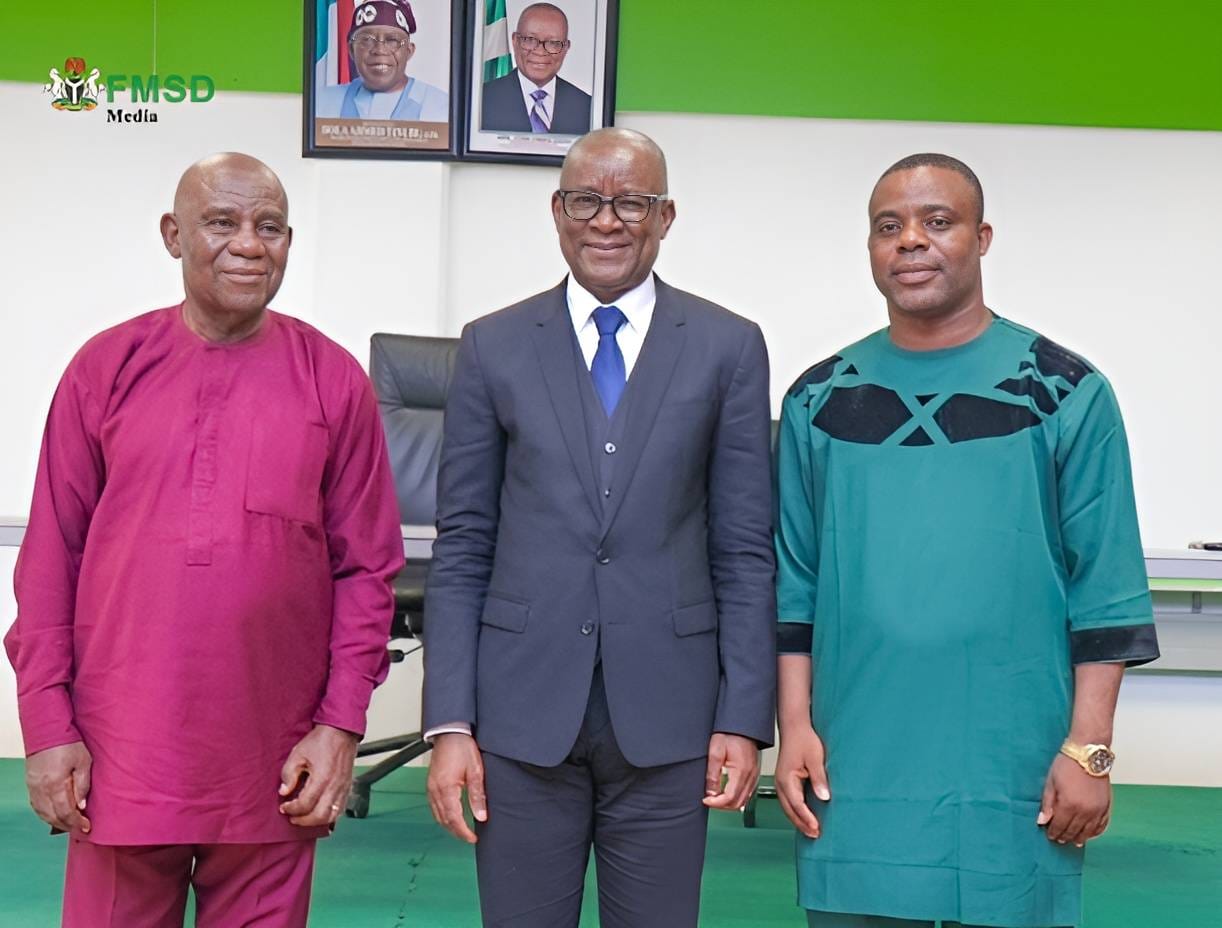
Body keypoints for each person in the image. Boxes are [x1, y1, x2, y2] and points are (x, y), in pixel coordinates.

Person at [4, 152, 404, 928]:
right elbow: (50, 562)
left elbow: (367, 572)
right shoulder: (105, 370)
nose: (250, 245)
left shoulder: (332, 380)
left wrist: (341, 725)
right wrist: (48, 726)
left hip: (274, 762)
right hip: (122, 757)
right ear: (173, 234)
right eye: (222, 222)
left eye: (271, 227)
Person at [773, 153, 1160, 928]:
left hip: (1013, 765)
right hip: (858, 766)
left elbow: (1105, 586)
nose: (910, 241)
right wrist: (793, 729)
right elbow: (795, 583)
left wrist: (1090, 751)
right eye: (889, 227)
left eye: (936, 221)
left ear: (982, 238)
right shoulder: (818, 401)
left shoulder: (1063, 390)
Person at [422, 127, 775, 927]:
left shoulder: (729, 348)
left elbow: (746, 549)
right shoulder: (493, 346)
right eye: (587, 200)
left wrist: (742, 718)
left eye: (632, 203)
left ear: (665, 216)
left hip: (672, 714)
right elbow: (465, 544)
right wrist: (450, 722)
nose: (607, 221)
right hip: (520, 711)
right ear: (558, 211)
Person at [315, 0, 449, 122]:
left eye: (392, 40)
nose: (379, 50)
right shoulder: (320, 103)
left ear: (409, 51)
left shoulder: (441, 107)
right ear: (351, 50)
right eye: (366, 40)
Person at [480, 2, 592, 135]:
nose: (540, 51)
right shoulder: (482, 100)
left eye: (553, 43)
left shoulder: (587, 107)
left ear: (566, 47)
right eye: (530, 39)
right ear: (515, 41)